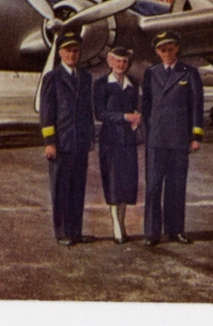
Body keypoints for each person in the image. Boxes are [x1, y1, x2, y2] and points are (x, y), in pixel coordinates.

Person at [141, 31, 204, 246]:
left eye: (170, 48)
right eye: (162, 50)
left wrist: (196, 136)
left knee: (176, 187)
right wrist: (148, 135)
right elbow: (146, 107)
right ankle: (151, 233)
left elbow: (197, 106)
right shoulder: (151, 73)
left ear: (177, 48)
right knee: (153, 188)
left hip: (179, 140)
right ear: (157, 52)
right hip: (156, 140)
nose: (167, 53)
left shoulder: (189, 73)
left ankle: (175, 230)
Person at [39, 31, 96, 246]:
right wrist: (49, 142)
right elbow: (46, 113)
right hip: (61, 144)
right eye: (68, 50)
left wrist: (89, 139)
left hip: (79, 143)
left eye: (75, 50)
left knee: (78, 189)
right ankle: (62, 232)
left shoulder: (85, 77)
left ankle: (76, 231)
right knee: (61, 190)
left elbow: (86, 111)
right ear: (60, 53)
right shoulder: (52, 78)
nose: (72, 54)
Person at [94, 47, 141, 244]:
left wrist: (138, 117)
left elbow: (139, 105)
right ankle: (116, 226)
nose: (121, 65)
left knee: (127, 183)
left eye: (124, 62)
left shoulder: (133, 84)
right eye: (117, 61)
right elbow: (99, 113)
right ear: (110, 62)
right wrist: (123, 117)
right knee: (113, 182)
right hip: (111, 139)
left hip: (128, 139)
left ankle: (122, 222)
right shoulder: (102, 84)